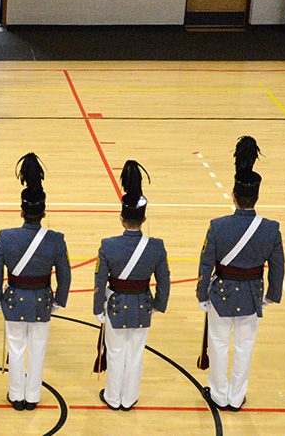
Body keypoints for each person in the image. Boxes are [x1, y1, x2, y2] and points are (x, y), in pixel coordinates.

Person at [196, 136, 284, 412]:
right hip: (252, 296)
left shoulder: (218, 226)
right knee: (245, 348)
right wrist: (271, 296)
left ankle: (220, 395)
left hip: (221, 294)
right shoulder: (271, 228)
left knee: (219, 345)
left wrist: (202, 295)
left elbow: (205, 263)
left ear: (234, 197)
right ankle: (236, 397)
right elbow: (278, 266)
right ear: (256, 196)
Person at [0, 153, 71, 411]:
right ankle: (33, 395)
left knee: (16, 349)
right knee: (38, 350)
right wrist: (59, 300)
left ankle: (16, 394)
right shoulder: (56, 239)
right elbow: (65, 273)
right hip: (42, 301)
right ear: (44, 212)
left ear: (22, 211)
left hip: (14, 299)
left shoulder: (6, 237)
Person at [93, 160, 170, 411]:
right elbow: (164, 280)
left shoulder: (109, 245)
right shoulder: (156, 246)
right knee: (135, 353)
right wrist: (158, 305)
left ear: (121, 218)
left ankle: (113, 397)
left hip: (115, 305)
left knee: (115, 352)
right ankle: (129, 398)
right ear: (144, 217)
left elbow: (99, 280)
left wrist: (98, 309)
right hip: (142, 305)